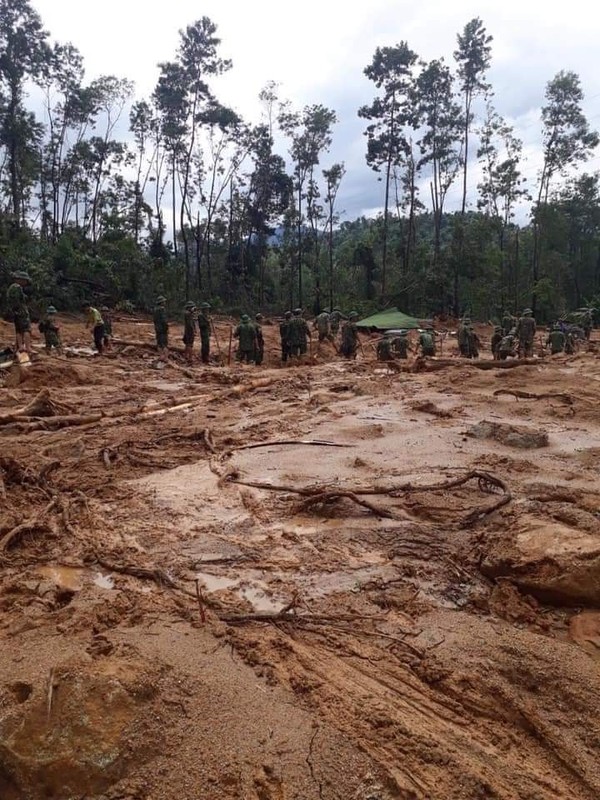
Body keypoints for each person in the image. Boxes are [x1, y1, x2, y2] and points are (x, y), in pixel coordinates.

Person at [6, 270, 32, 354]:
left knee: (18, 330)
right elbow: (18, 301)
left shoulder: (11, 288)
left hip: (15, 312)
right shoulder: (18, 288)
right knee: (26, 329)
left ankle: (20, 347)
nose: (26, 282)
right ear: (20, 279)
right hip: (21, 311)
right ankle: (28, 348)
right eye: (25, 280)